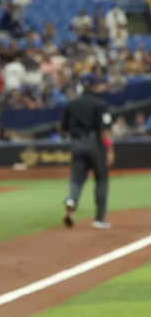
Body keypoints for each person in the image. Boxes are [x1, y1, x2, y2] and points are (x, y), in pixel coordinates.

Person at [60, 75, 113, 229]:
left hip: (76, 143)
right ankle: (99, 219)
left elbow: (63, 128)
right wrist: (109, 150)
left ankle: (71, 200)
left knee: (76, 178)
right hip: (95, 144)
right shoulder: (100, 104)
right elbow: (104, 131)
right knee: (101, 179)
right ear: (95, 86)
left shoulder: (72, 103)